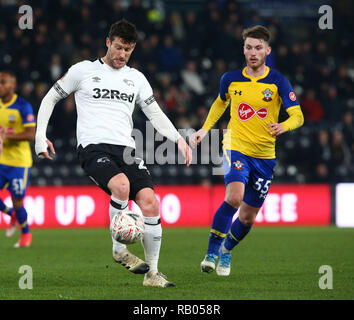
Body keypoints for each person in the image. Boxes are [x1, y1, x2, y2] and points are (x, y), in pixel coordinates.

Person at [35, 19, 192, 287]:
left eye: (128, 50)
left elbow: (154, 113)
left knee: (151, 202)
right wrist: (40, 135)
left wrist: (178, 138)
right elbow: (50, 97)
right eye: (118, 47)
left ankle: (152, 274)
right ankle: (119, 250)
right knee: (121, 185)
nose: (122, 55)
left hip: (126, 150)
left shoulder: (136, 79)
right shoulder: (82, 70)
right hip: (93, 147)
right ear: (108, 42)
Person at [190, 25, 304, 276]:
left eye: (258, 48)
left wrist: (284, 126)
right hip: (236, 146)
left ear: (267, 50)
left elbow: (298, 116)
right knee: (233, 197)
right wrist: (204, 129)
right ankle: (211, 252)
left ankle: (227, 250)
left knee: (247, 218)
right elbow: (220, 103)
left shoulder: (278, 82)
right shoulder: (230, 79)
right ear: (244, 49)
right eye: (249, 47)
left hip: (264, 156)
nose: (253, 52)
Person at [0, 71, 35, 247]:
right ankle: (10, 213)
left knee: (18, 200)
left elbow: (31, 134)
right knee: (14, 206)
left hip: (19, 163)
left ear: (12, 86)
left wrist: (7, 136)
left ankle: (25, 234)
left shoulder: (22, 106)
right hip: (1, 160)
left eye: (2, 82)